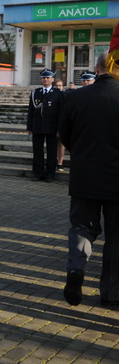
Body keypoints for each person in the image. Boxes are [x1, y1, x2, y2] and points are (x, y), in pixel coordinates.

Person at [59, 52, 119, 307]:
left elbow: (65, 136)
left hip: (85, 176)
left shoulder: (74, 97)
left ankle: (76, 268)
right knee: (116, 237)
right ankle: (111, 293)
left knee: (82, 227)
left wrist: (84, 154)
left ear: (96, 67)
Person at [26, 69, 63, 182]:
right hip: (38, 126)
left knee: (52, 152)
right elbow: (31, 111)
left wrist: (59, 129)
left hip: (52, 127)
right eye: (43, 78)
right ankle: (38, 173)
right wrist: (29, 127)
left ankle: (50, 174)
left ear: (52, 79)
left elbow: (61, 113)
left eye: (48, 78)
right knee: (37, 151)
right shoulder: (35, 92)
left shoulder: (58, 93)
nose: (45, 79)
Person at [54, 78, 67, 172]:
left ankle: (60, 163)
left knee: (61, 144)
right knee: (53, 145)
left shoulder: (65, 96)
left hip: (62, 123)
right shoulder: (50, 95)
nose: (58, 87)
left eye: (60, 85)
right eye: (56, 85)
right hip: (52, 123)